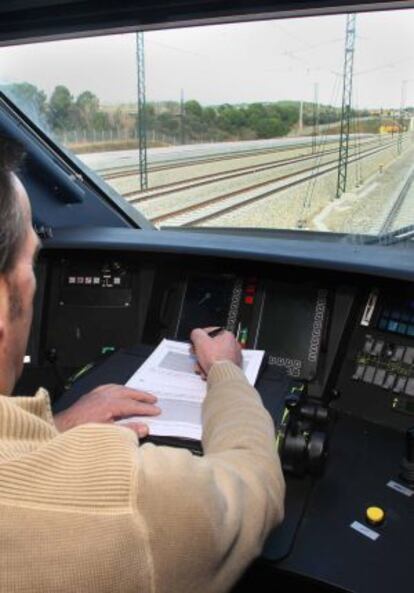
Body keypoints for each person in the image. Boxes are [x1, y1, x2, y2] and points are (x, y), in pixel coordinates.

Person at [0, 135, 285, 593]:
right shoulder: (129, 502)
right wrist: (225, 372)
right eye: (31, 261)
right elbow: (254, 488)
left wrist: (54, 427)